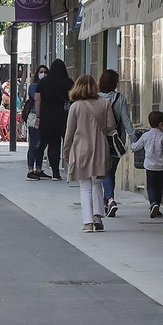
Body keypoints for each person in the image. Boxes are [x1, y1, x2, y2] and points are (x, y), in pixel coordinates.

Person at [63, 74, 116, 232]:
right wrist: (100, 131)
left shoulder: (75, 107)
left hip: (81, 148)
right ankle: (98, 216)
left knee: (85, 185)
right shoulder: (104, 104)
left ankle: (87, 222)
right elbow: (111, 125)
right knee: (97, 182)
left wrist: (66, 151)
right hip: (100, 147)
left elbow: (69, 133)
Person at [97, 69, 135, 217]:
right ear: (115, 83)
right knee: (110, 171)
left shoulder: (96, 98)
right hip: (116, 140)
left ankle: (109, 199)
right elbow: (126, 121)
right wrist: (134, 140)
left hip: (99, 140)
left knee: (105, 171)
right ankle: (108, 200)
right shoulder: (120, 99)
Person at [30, 59, 71, 179]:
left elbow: (37, 99)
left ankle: (55, 173)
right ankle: (73, 170)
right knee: (69, 142)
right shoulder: (68, 82)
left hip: (47, 116)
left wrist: (38, 116)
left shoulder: (44, 82)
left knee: (53, 144)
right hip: (64, 115)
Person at [131, 111, 163, 219]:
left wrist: (131, 143)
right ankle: (157, 205)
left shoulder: (145, 136)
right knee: (159, 186)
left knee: (151, 186)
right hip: (162, 166)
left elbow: (135, 147)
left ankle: (153, 203)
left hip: (150, 166)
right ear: (161, 124)